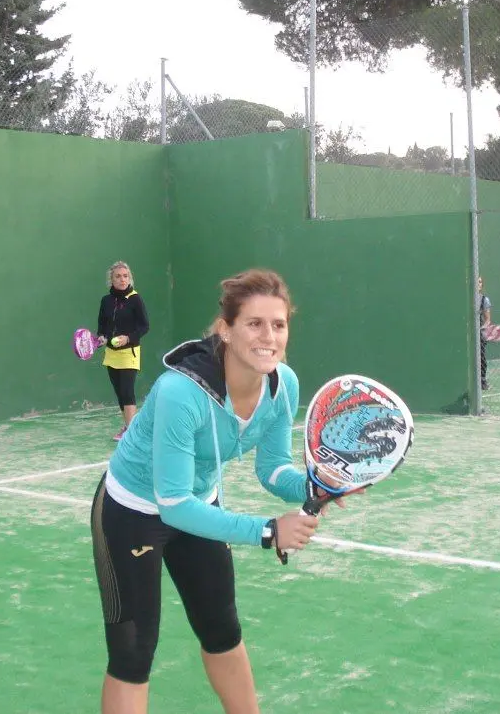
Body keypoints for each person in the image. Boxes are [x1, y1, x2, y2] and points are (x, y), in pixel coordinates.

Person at [89, 268, 339, 714]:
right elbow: (173, 504)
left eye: (278, 325)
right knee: (133, 653)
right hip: (133, 511)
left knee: (222, 630)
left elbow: (273, 468)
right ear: (226, 330)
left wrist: (314, 485)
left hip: (197, 505)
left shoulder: (283, 385)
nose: (269, 336)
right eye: (254, 324)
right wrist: (267, 531)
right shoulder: (179, 393)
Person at [97, 261, 150, 441]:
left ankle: (133, 432)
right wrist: (102, 337)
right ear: (111, 280)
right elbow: (102, 326)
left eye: (125, 276)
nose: (122, 279)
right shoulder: (106, 301)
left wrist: (128, 338)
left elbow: (144, 327)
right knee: (120, 392)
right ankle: (128, 426)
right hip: (112, 354)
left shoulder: (136, 299)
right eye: (118, 276)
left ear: (130, 278)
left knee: (127, 391)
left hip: (130, 353)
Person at [478, 276, 492, 391]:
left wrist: (481, 329)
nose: (478, 284)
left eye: (480, 282)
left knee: (481, 356)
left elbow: (487, 320)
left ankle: (482, 380)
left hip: (479, 333)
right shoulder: (465, 299)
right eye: (476, 281)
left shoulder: (484, 300)